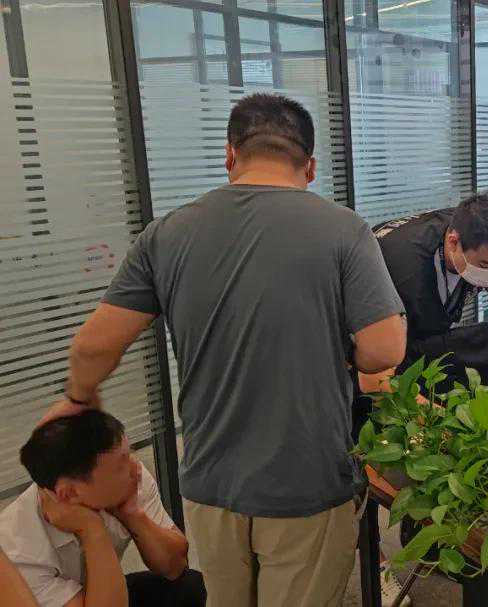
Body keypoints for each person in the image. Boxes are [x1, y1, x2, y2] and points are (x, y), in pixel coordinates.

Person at [50, 93, 407, 607]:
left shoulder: (167, 233)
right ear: (309, 166)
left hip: (210, 483)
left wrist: (78, 399)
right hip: (306, 482)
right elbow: (384, 348)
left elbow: (92, 346)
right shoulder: (344, 229)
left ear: (230, 155)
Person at [0, 410, 205, 607]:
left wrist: (132, 514)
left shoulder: (128, 480)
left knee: (190, 588)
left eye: (128, 454)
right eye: (120, 466)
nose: (134, 468)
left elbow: (176, 566)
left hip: (106, 588)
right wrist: (92, 530)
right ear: (69, 493)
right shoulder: (16, 550)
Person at [364, 191, 488, 392]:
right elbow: (374, 379)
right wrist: (428, 409)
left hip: (423, 332)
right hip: (368, 342)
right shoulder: (400, 270)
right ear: (453, 242)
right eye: (485, 266)